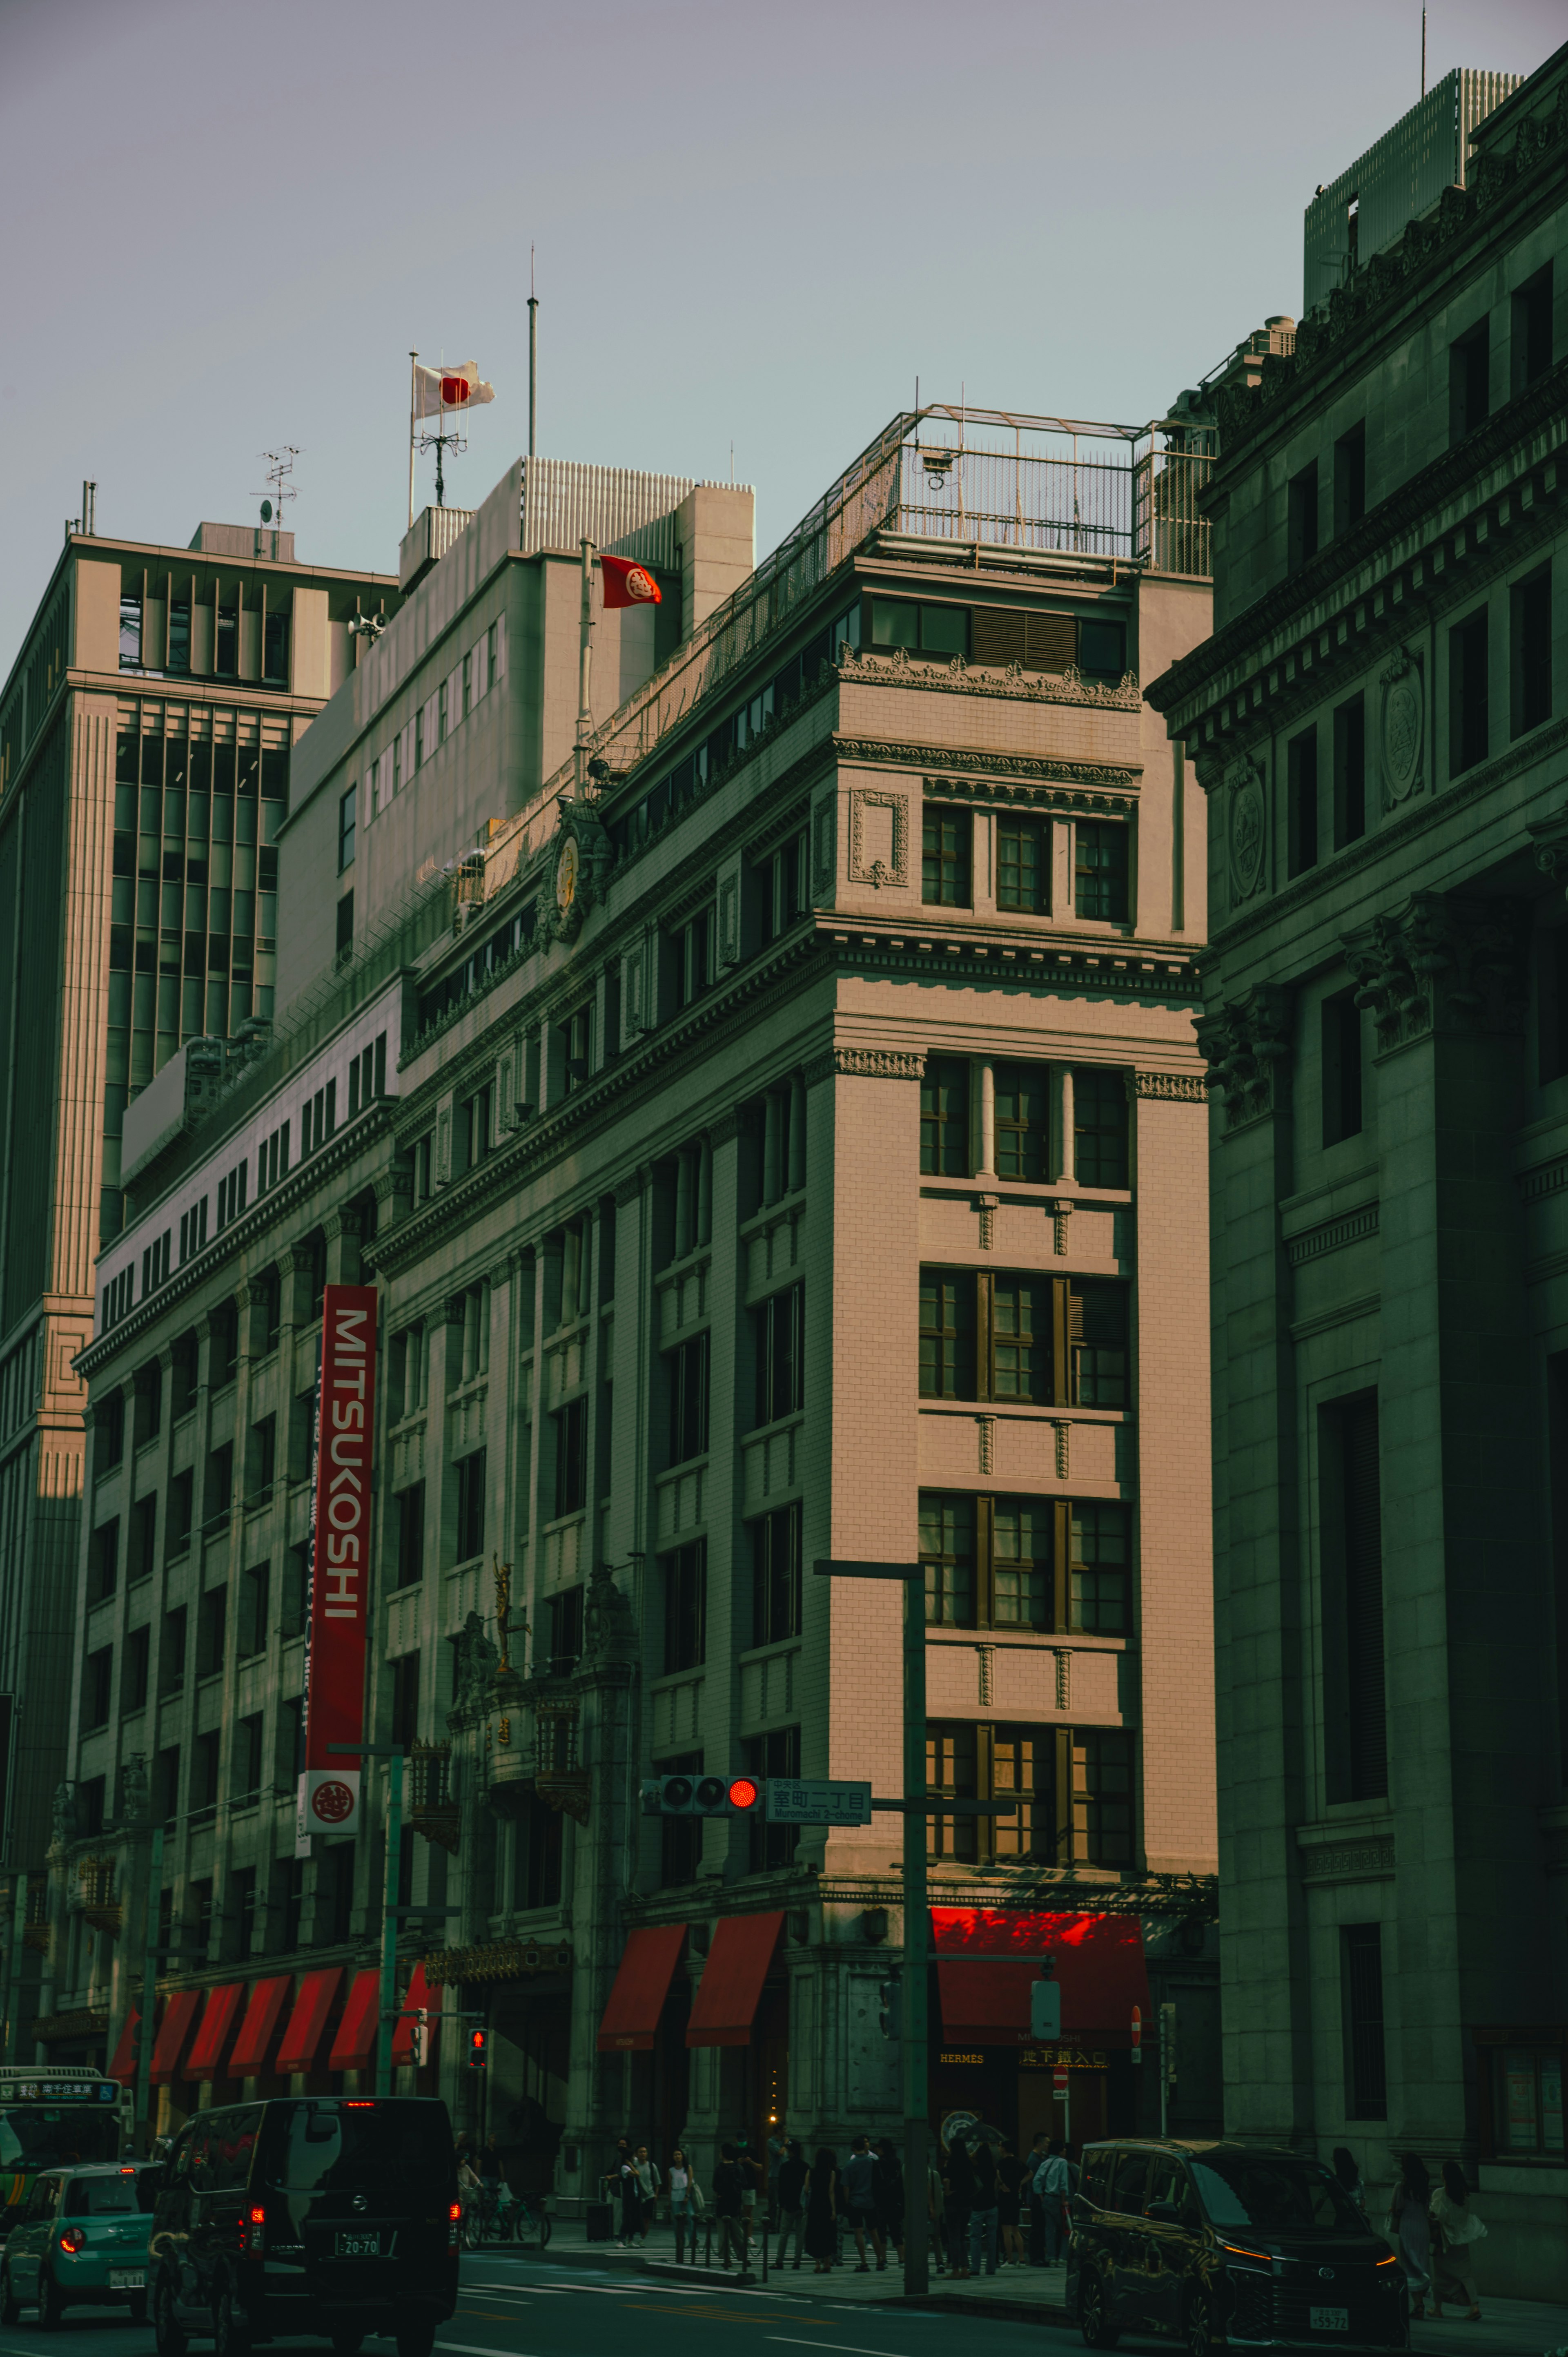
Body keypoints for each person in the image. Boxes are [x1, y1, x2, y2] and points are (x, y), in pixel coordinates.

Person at [1429, 2161, 1485, 2321]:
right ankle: (1474, 2305)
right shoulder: (1464, 2196)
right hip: (1461, 2239)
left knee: (1440, 2274)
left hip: (1444, 2240)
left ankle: (1438, 2308)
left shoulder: (1440, 2194)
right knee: (1466, 2274)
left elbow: (1438, 2215)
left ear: (1445, 2176)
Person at [1388, 2152, 1433, 2321]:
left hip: (1408, 2227)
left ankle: (1418, 2305)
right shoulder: (1424, 2186)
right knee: (1422, 2263)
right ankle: (1421, 2301)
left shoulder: (1401, 2187)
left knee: (1410, 2265)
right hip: (1423, 2227)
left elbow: (1397, 2208)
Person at [841, 2133, 885, 2271]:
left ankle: (864, 2262)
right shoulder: (872, 2163)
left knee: (858, 2232)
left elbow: (846, 2187)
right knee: (874, 2232)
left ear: (854, 2149)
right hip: (871, 2201)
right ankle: (880, 2261)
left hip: (855, 2202)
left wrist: (846, 2202)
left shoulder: (850, 2165)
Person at [1033, 2136, 1070, 2266]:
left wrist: (1042, 2197)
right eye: (1064, 2149)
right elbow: (1063, 2183)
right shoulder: (1062, 2163)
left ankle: (1051, 2257)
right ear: (1060, 2151)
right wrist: (1064, 2200)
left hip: (1047, 2199)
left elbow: (1037, 2181)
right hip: (1058, 2199)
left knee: (1049, 2230)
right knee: (1066, 2229)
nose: (1065, 2151)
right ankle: (1062, 2257)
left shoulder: (1045, 2162)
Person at [968, 2136, 1000, 2277]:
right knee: (992, 2239)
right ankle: (991, 2268)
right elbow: (996, 2187)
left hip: (978, 2206)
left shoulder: (975, 2170)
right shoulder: (994, 2171)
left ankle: (975, 2267)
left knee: (976, 2238)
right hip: (992, 2205)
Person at [804, 2145, 839, 2275]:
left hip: (814, 2206)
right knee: (827, 2234)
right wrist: (834, 2210)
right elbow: (831, 2192)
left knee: (815, 2234)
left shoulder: (810, 2172)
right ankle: (828, 2263)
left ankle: (817, 2264)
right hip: (826, 2206)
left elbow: (806, 2190)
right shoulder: (832, 2173)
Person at [713, 2141, 747, 2270]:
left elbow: (715, 2186)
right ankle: (743, 2256)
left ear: (724, 2154)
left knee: (724, 2235)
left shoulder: (719, 2168)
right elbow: (743, 2185)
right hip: (735, 2205)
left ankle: (727, 2259)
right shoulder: (739, 2168)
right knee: (737, 2233)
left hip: (722, 2205)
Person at [945, 2134, 975, 2278]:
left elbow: (946, 2181)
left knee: (954, 2237)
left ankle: (955, 2269)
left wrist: (948, 2191)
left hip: (953, 2203)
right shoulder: (969, 2163)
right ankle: (965, 2269)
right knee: (962, 2237)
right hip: (967, 2203)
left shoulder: (951, 2162)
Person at [668, 2146, 704, 2264]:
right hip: (675, 2196)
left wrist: (687, 2195)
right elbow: (670, 2184)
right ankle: (680, 2241)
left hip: (685, 2195)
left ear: (682, 2156)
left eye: (679, 2154)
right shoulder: (671, 2170)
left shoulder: (688, 2168)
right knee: (677, 2221)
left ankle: (693, 2239)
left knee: (691, 2217)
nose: (677, 2157)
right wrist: (669, 2198)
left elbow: (690, 2181)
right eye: (675, 2155)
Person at [775, 2137, 807, 2269]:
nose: (787, 2152)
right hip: (802, 2205)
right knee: (800, 2235)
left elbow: (782, 2188)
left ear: (792, 2152)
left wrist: (781, 2205)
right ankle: (797, 2261)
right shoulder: (806, 2166)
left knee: (784, 2233)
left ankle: (780, 2260)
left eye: (788, 2149)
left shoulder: (785, 2167)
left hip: (789, 2205)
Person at [874, 2137, 905, 2264]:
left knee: (881, 2231)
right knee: (896, 2231)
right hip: (895, 2201)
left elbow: (875, 2183)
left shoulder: (878, 2163)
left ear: (881, 2149)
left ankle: (883, 2259)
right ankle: (902, 2259)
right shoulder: (897, 2162)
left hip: (881, 2201)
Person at [997, 2143, 1025, 2266]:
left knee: (1006, 2230)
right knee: (1016, 2229)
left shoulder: (1002, 2162)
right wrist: (1020, 2183)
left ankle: (1010, 2260)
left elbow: (997, 2175)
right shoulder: (1019, 2162)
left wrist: (1002, 2184)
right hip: (1015, 2197)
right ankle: (1022, 2259)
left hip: (1005, 2197)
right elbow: (1030, 2173)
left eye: (1000, 2146)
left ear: (1004, 2148)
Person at [1023, 2130, 1048, 2263]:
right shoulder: (1034, 2160)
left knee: (1038, 2227)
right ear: (1040, 2144)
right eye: (1046, 2143)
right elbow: (1034, 2181)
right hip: (1036, 2198)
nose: (1048, 2146)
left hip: (1035, 2198)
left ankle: (1038, 2256)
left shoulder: (1038, 2158)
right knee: (1037, 2228)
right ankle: (1035, 2257)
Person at [629, 2143, 661, 2243]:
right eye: (641, 2152)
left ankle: (642, 2239)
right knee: (634, 2218)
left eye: (645, 2152)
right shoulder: (633, 2166)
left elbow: (657, 2182)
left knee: (647, 2219)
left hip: (649, 2195)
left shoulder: (652, 2166)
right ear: (636, 2154)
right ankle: (631, 2238)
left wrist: (656, 2195)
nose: (643, 2154)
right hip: (637, 2195)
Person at [1331, 2147, 1367, 2219]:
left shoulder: (1334, 2182)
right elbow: (1363, 2204)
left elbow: (1322, 2199)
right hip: (1358, 2220)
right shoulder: (1358, 2181)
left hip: (1342, 2220)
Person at [926, 2150, 947, 2275]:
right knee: (936, 2238)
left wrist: (932, 2208)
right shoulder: (935, 2174)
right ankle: (940, 2262)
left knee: (925, 2238)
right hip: (935, 2211)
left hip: (925, 2210)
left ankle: (926, 2263)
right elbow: (939, 2195)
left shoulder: (918, 2175)